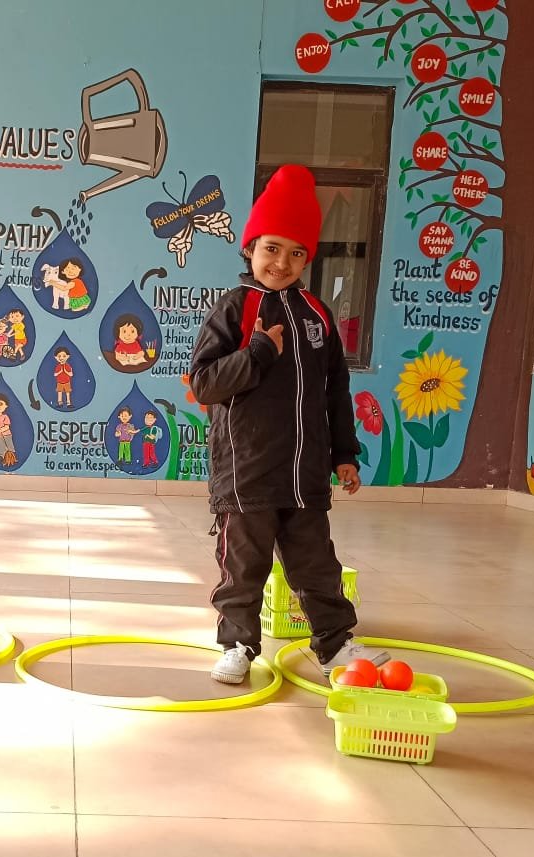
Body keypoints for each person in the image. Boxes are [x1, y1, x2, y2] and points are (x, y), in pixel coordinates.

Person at [188, 164, 388, 684]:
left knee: (317, 565)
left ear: (308, 258)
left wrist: (344, 454)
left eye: (296, 253)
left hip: (304, 476)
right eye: (272, 248)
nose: (281, 262)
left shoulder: (318, 314)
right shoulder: (235, 308)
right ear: (250, 247)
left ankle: (336, 644)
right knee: (243, 566)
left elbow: (335, 390)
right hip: (247, 473)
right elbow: (204, 383)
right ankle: (237, 645)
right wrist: (256, 352)